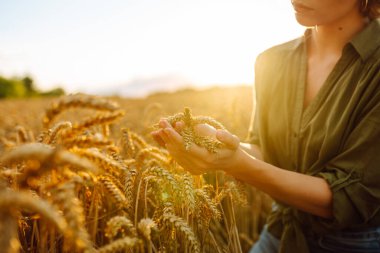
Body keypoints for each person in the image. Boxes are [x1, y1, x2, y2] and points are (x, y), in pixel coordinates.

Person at [151, 0, 380, 252]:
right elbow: (264, 150)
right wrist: (219, 144)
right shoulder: (271, 61)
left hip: (353, 244)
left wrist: (240, 165)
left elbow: (350, 198)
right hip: (278, 233)